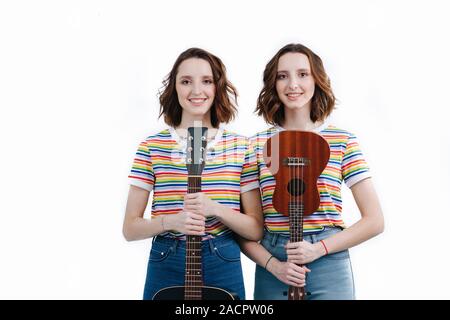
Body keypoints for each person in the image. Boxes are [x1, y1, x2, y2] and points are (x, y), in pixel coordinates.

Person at [239, 43, 384, 300]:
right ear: (273, 83)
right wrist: (274, 265)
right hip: (274, 262)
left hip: (329, 259)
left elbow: (374, 220)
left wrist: (319, 249)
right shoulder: (255, 145)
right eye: (282, 76)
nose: (293, 84)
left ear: (317, 79)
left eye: (303, 74)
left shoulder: (341, 141)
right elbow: (247, 229)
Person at [123, 47, 263, 300]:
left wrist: (216, 208)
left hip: (222, 258)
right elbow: (130, 229)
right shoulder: (152, 146)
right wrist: (170, 222)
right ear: (174, 88)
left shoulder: (241, 147)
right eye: (186, 81)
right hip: (167, 257)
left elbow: (255, 229)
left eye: (206, 81)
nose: (196, 91)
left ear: (217, 87)